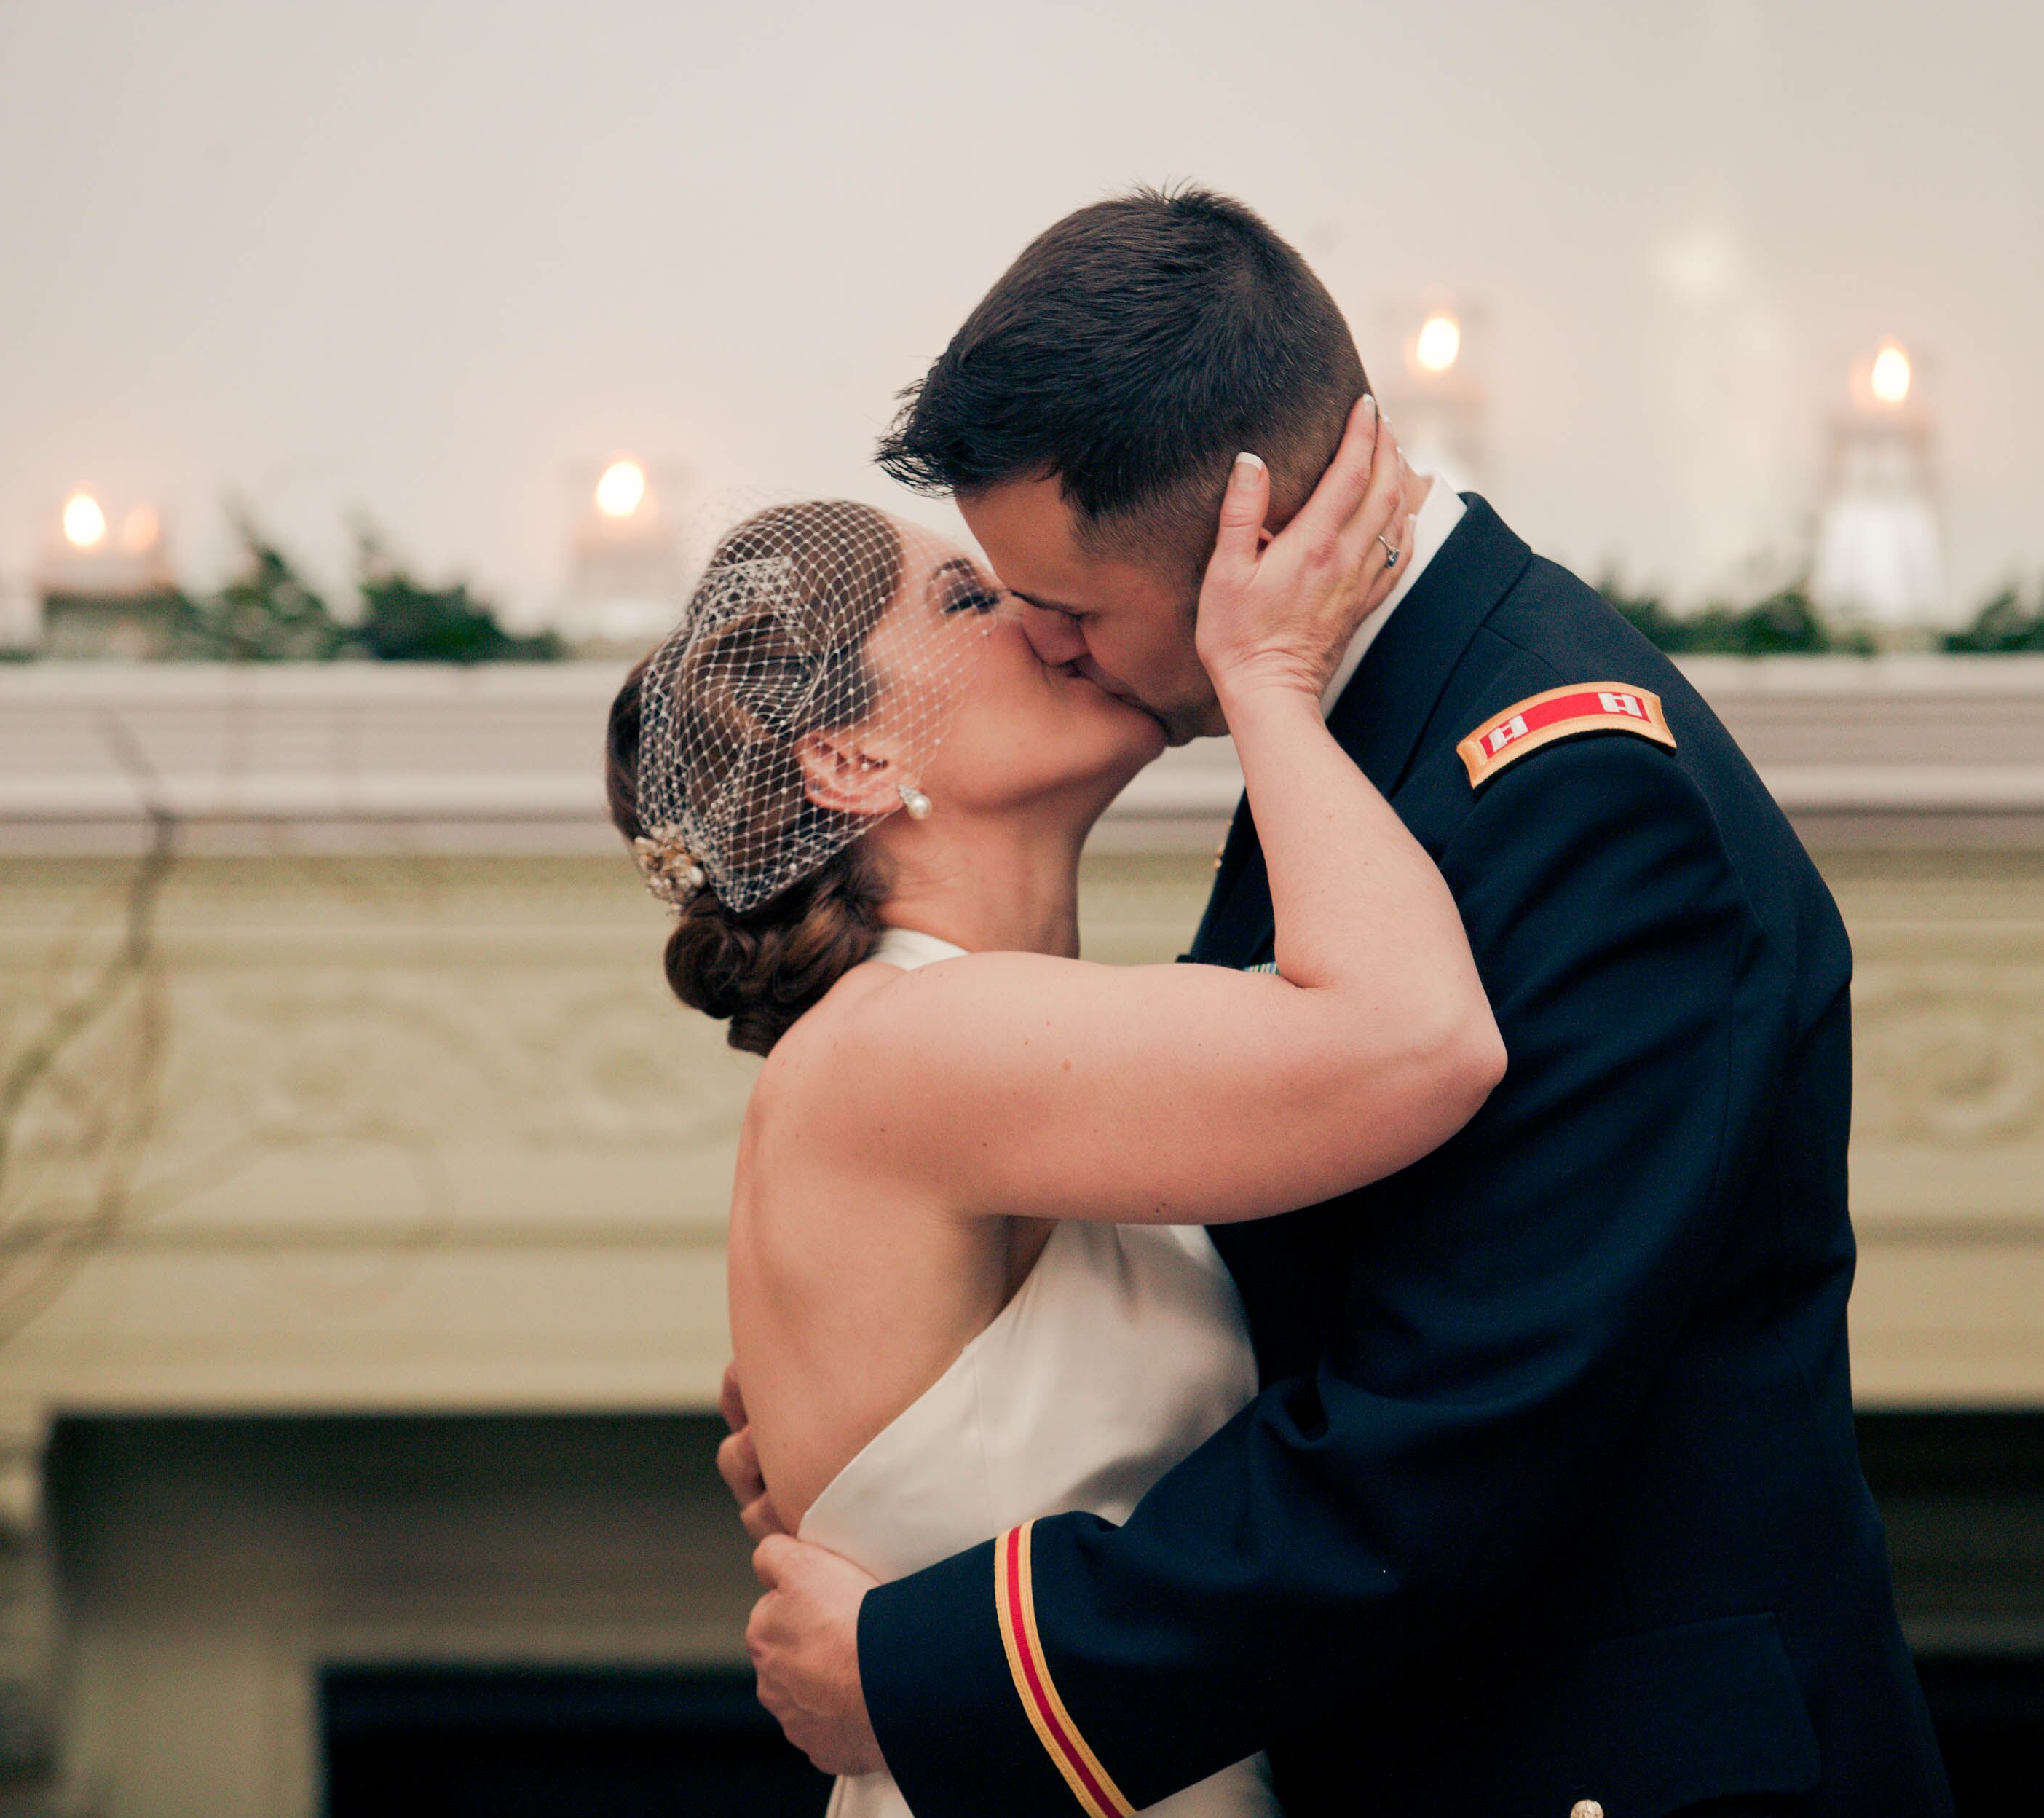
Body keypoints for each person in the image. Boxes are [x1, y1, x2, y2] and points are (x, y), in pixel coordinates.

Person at [731, 187, 1956, 1818]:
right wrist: (898, 1419)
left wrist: (929, 1660)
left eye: (1071, 611)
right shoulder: (1385, 716)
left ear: (1239, 534)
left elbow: (1456, 1426)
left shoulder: (1573, 787)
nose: (1049, 653)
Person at [608, 425, 1499, 1818]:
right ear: (848, 755)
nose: (1041, 616)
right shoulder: (916, 1045)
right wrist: (1268, 681)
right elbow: (1423, 1040)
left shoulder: (968, 1041)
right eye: (970, 600)